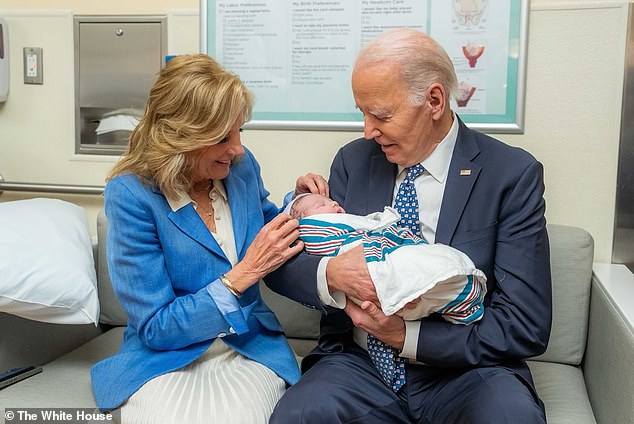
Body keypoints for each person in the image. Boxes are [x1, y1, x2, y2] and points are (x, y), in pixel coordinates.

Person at [267, 28, 552, 423]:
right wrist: (331, 272)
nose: (368, 130)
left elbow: (526, 324)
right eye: (362, 113)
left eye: (380, 115)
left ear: (434, 100)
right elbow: (284, 265)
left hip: (465, 369)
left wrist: (406, 337)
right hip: (361, 365)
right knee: (298, 415)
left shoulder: (510, 174)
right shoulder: (354, 162)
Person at [90, 54, 319, 424]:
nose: (238, 148)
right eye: (222, 137)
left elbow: (266, 226)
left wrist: (300, 204)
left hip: (248, 346)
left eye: (240, 132)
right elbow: (155, 327)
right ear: (180, 136)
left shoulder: (240, 169)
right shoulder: (131, 196)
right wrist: (240, 277)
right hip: (165, 358)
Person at [286, 192, 487, 322]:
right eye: (323, 204)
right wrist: (330, 273)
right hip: (354, 350)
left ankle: (457, 289)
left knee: (433, 261)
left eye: (329, 201)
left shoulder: (508, 171)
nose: (334, 202)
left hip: (444, 346)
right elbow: (279, 255)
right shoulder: (349, 163)